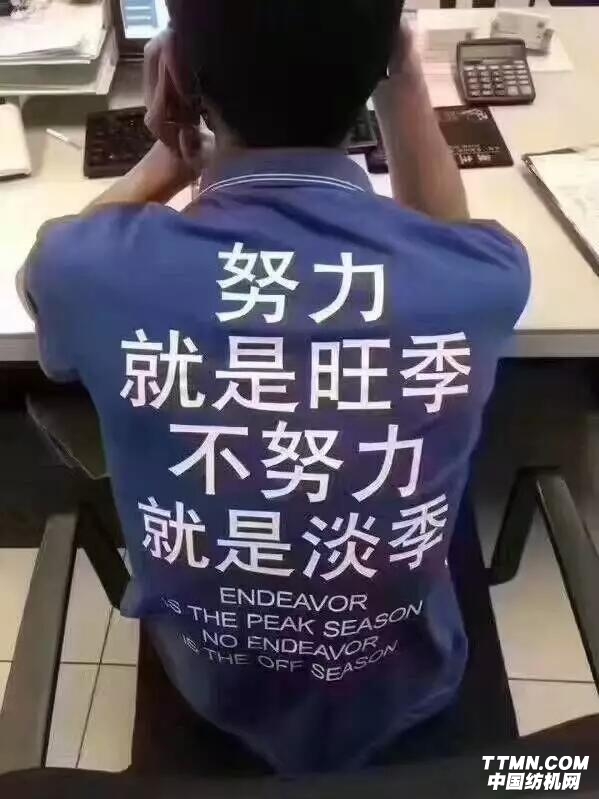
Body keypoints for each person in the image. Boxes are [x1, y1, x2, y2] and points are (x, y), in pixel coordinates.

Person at [18, 0, 530, 775]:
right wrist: (402, 82)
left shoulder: (87, 272)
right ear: (383, 64)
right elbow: (446, 240)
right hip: (405, 692)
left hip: (210, 688)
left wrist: (168, 158)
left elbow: (43, 272)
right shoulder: (482, 276)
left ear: (177, 73)